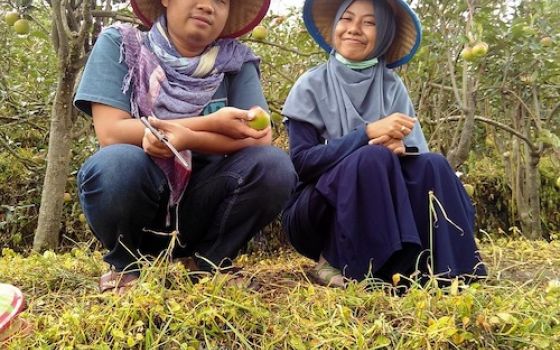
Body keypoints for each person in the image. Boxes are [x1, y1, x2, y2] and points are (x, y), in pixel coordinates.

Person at [74, 0, 297, 293]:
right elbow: (112, 132)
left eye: (221, 0)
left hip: (205, 204)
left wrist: (186, 138)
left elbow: (258, 137)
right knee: (115, 163)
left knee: (274, 166)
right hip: (138, 194)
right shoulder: (121, 44)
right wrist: (208, 124)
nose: (208, 6)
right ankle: (125, 266)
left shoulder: (236, 62)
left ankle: (211, 261)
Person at [281, 0, 486, 288]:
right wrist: (365, 134)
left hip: (382, 203)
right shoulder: (310, 84)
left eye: (369, 22)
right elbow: (301, 164)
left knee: (433, 165)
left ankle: (449, 269)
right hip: (316, 214)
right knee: (372, 158)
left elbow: (414, 158)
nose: (354, 29)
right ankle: (349, 263)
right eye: (347, 19)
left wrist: (400, 152)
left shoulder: (391, 86)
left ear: (385, 34)